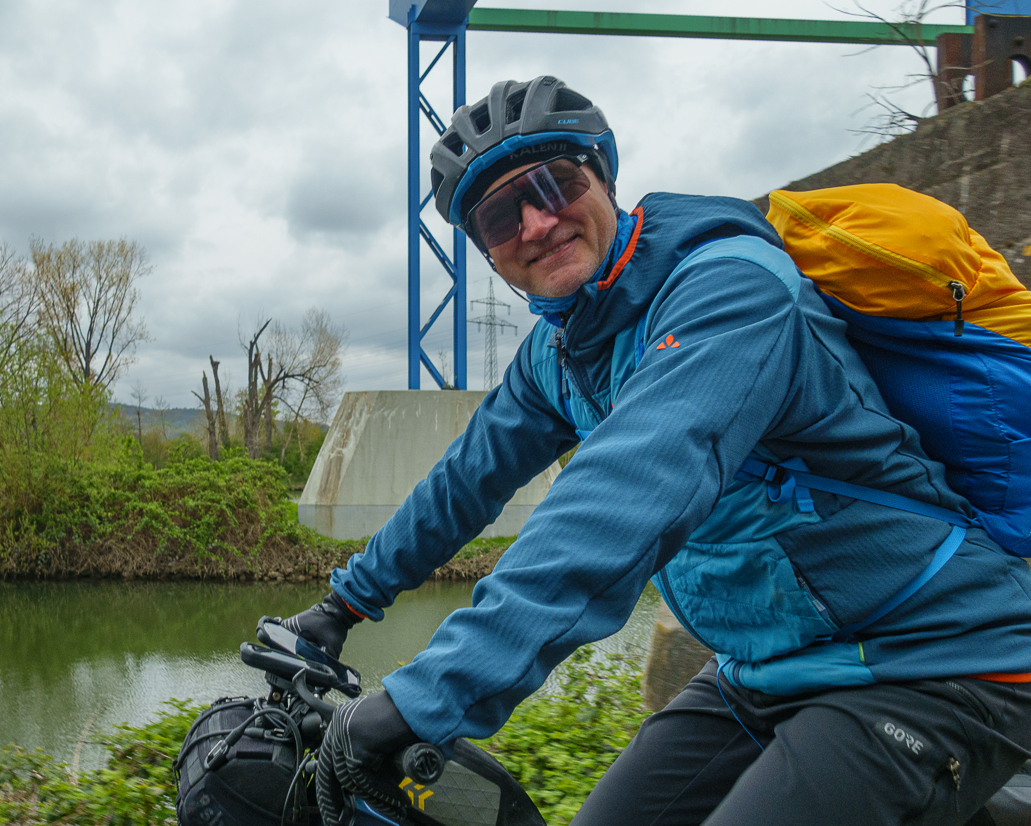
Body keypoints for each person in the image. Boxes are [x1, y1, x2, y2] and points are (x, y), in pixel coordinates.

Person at [283, 75, 1031, 825]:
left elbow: (623, 495)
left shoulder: (728, 288)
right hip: (765, 668)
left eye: (555, 183)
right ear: (485, 249)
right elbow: (465, 482)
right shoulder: (561, 347)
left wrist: (422, 696)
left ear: (605, 178)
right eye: (501, 215)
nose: (538, 221)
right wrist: (344, 603)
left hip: (934, 658)